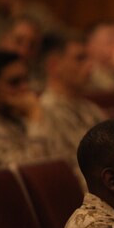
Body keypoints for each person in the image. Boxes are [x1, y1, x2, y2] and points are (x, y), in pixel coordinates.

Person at [39, 33, 106, 170]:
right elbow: (67, 172)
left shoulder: (90, 108)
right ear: (54, 65)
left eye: (89, 58)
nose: (90, 65)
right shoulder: (45, 112)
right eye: (80, 58)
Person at [0, 51, 50, 167]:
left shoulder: (18, 117)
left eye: (26, 80)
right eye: (14, 82)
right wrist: (34, 115)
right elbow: (30, 173)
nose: (25, 88)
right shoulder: (32, 113)